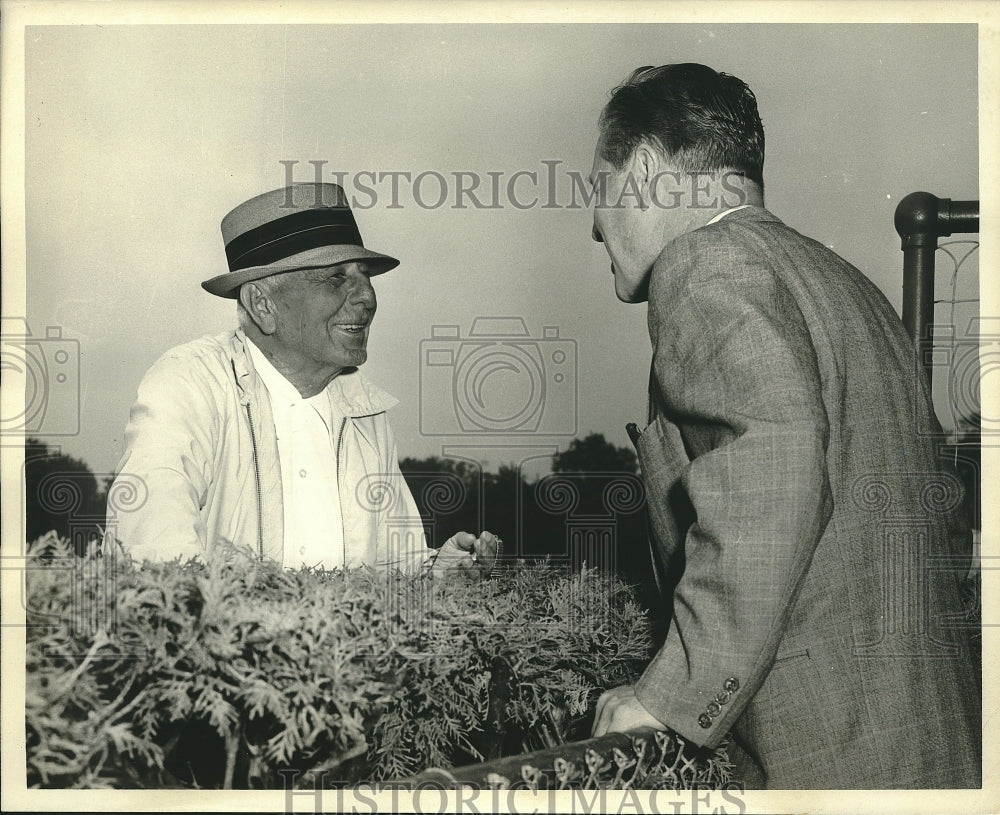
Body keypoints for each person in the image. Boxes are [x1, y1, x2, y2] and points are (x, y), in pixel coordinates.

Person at [587, 64, 980, 789]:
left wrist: (666, 696)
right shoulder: (845, 283)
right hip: (928, 741)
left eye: (598, 191)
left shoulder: (704, 265)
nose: (594, 226)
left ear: (643, 170)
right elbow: (943, 509)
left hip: (824, 759)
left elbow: (768, 478)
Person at [108, 182, 496, 576]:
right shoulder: (190, 385)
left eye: (364, 275)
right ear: (262, 304)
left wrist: (435, 574)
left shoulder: (364, 411)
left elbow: (392, 568)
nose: (367, 297)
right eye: (335, 278)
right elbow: (151, 554)